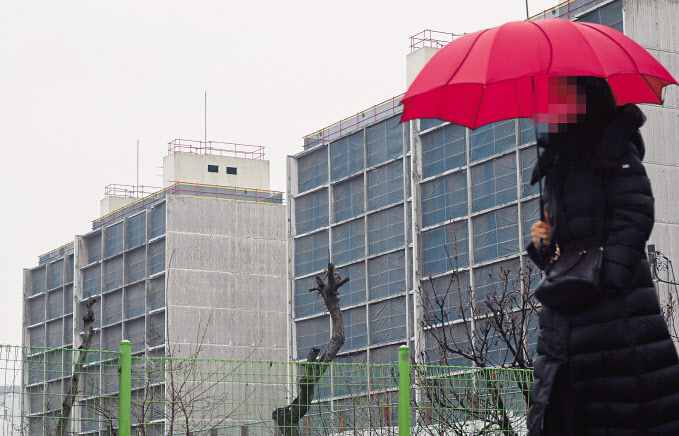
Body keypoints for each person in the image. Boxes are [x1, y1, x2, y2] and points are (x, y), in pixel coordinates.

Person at [525, 76, 679, 435]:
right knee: (561, 413)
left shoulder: (615, 152)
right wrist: (543, 242)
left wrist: (608, 276)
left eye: (559, 98)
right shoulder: (557, 165)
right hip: (563, 320)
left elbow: (635, 213)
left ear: (585, 101)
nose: (549, 109)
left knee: (626, 409)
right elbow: (557, 244)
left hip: (614, 313)